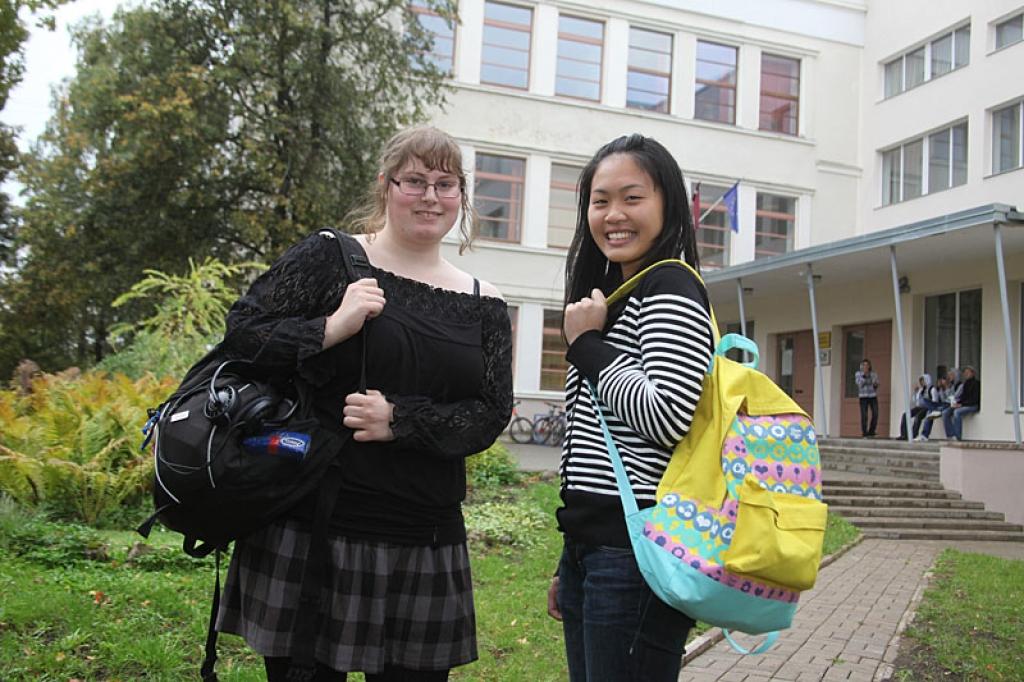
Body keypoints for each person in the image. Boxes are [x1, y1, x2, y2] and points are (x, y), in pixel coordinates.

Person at [211, 126, 513, 681]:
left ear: (462, 195)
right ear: (386, 185)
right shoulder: (333, 258)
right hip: (315, 531)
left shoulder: (484, 303)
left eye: (446, 184)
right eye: (415, 181)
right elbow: (243, 336)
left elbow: (490, 414)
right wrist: (332, 326)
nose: (430, 197)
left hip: (423, 541)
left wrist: (399, 420)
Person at [546, 134, 712, 681]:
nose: (614, 214)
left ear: (668, 204)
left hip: (636, 555)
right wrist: (571, 557)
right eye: (600, 200)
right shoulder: (618, 297)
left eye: (632, 197)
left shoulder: (670, 287)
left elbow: (666, 417)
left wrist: (588, 347)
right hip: (598, 549)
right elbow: (598, 445)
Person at [942, 366, 980, 441]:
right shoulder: (965, 384)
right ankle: (950, 435)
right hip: (964, 404)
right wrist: (957, 403)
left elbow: (974, 399)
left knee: (957, 412)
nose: (965, 374)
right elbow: (962, 397)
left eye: (967, 372)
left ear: (973, 373)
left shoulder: (976, 384)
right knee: (945, 412)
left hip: (972, 405)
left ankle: (957, 436)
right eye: (965, 373)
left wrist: (961, 405)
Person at [899, 373, 932, 440]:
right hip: (919, 407)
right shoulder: (921, 390)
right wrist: (915, 392)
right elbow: (915, 400)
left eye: (923, 381)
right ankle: (904, 435)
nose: (922, 383)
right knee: (905, 415)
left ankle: (913, 434)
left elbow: (934, 400)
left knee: (918, 416)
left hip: (927, 407)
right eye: (921, 381)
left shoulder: (931, 389)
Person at [855, 359, 880, 437]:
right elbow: (859, 384)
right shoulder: (858, 374)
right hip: (863, 396)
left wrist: (875, 383)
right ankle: (864, 432)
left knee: (875, 413)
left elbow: (876, 384)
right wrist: (864, 376)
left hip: (872, 395)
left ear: (869, 366)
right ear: (862, 366)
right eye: (864, 365)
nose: (866, 366)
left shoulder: (873, 374)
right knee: (864, 415)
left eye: (867, 365)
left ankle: (872, 431)